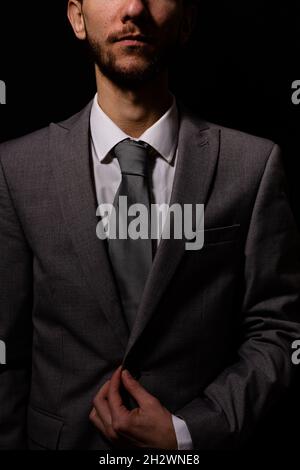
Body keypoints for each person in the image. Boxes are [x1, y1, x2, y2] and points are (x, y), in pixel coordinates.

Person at [0, 0, 300, 450]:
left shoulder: (253, 165)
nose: (134, 7)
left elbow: (279, 331)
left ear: (187, 20)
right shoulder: (17, 168)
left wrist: (189, 432)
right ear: (77, 17)